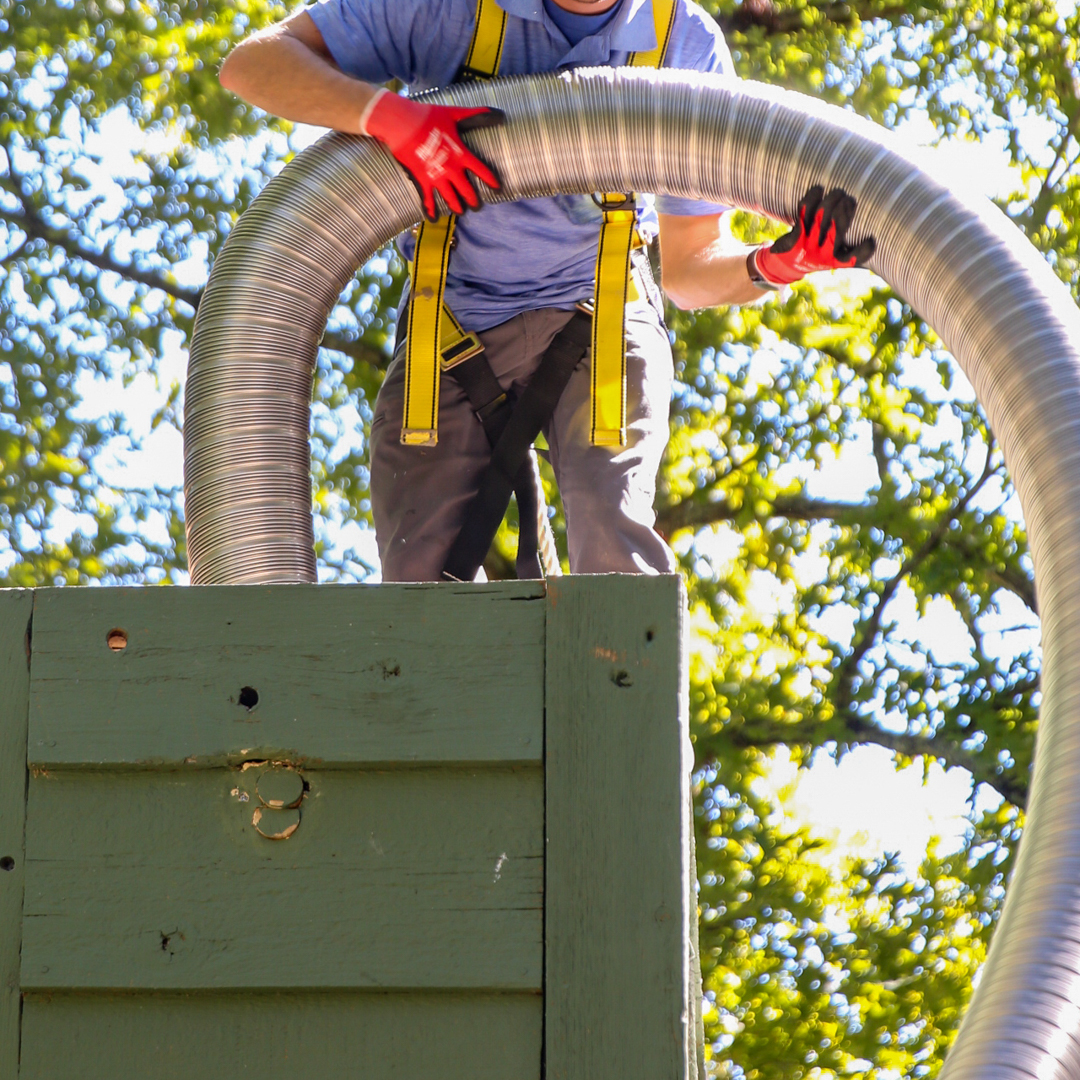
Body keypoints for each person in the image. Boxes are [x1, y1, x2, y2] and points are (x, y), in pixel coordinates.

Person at [219, 0, 874, 582]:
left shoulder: (679, 40)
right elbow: (252, 66)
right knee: (418, 591)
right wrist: (388, 117)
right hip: (451, 332)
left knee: (612, 546)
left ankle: (618, 705)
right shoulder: (445, 12)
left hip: (602, 321)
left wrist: (775, 265)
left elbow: (688, 267)